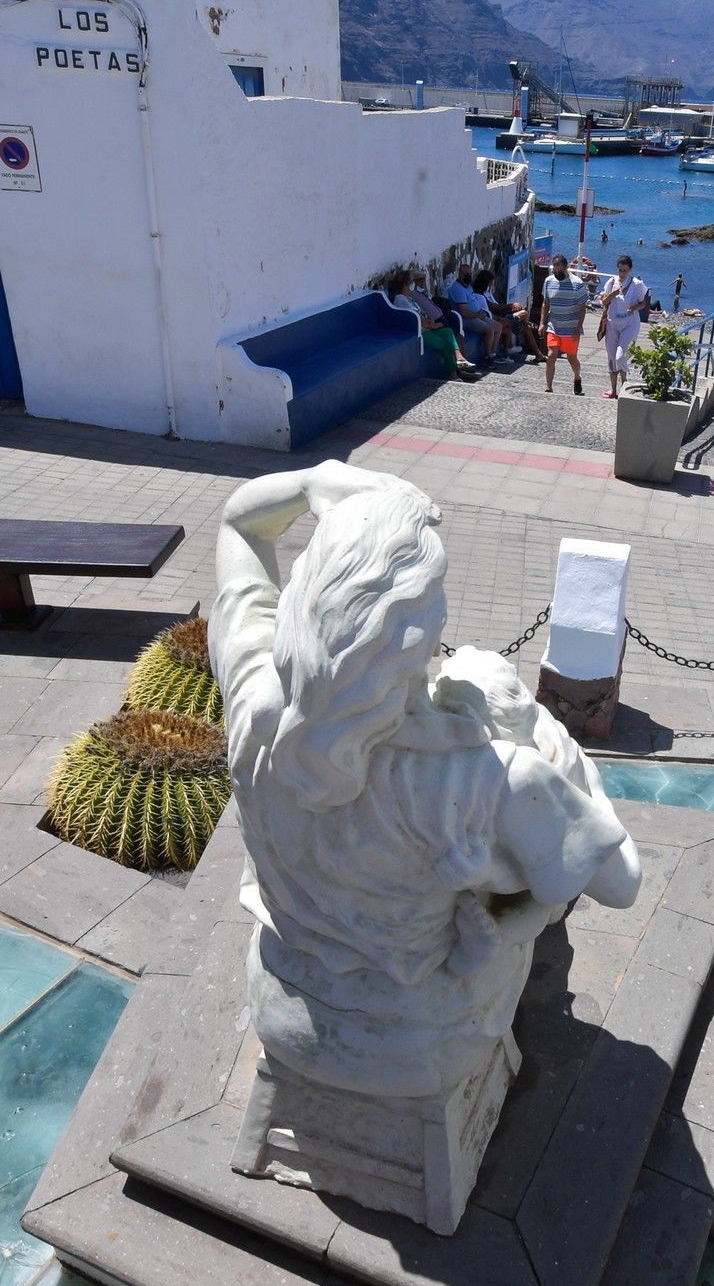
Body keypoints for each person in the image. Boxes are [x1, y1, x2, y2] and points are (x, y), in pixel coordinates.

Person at [209, 464, 641, 1124]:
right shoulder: (486, 779)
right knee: (534, 891)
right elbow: (621, 884)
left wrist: (310, 483)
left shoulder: (255, 705)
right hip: (423, 1045)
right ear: (422, 636)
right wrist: (557, 753)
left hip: (285, 1007)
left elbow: (239, 525)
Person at [388, 271, 478, 380]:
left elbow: (421, 313)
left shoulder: (409, 297)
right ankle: (455, 372)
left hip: (426, 326)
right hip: (420, 331)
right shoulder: (401, 300)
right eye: (410, 283)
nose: (412, 285)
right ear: (404, 285)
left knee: (448, 331)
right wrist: (432, 325)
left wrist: (432, 322)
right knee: (445, 344)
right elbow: (413, 320)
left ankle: (460, 362)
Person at [599, 254, 647, 399]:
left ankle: (625, 385)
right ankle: (614, 390)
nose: (622, 274)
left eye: (625, 270)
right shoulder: (611, 282)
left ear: (630, 270)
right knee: (612, 358)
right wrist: (612, 294)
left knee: (620, 356)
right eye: (620, 270)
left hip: (630, 324)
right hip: (612, 323)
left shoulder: (637, 284)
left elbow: (643, 303)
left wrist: (634, 308)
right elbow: (604, 302)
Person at [540, 252, 588, 395]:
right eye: (555, 269)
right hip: (553, 326)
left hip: (570, 328)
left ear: (566, 267)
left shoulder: (577, 284)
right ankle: (549, 386)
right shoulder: (549, 281)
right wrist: (542, 323)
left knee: (571, 358)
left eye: (560, 269)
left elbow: (582, 308)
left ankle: (577, 377)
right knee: (551, 355)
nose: (557, 272)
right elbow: (545, 303)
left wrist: (578, 328)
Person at [446, 263, 502, 361]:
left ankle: (493, 353)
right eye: (466, 274)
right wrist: (477, 315)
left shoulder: (468, 286)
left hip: (477, 315)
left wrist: (479, 313)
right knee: (489, 330)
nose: (469, 276)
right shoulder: (457, 289)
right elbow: (464, 311)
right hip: (467, 319)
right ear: (460, 274)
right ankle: (487, 356)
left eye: (470, 273)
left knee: (498, 326)